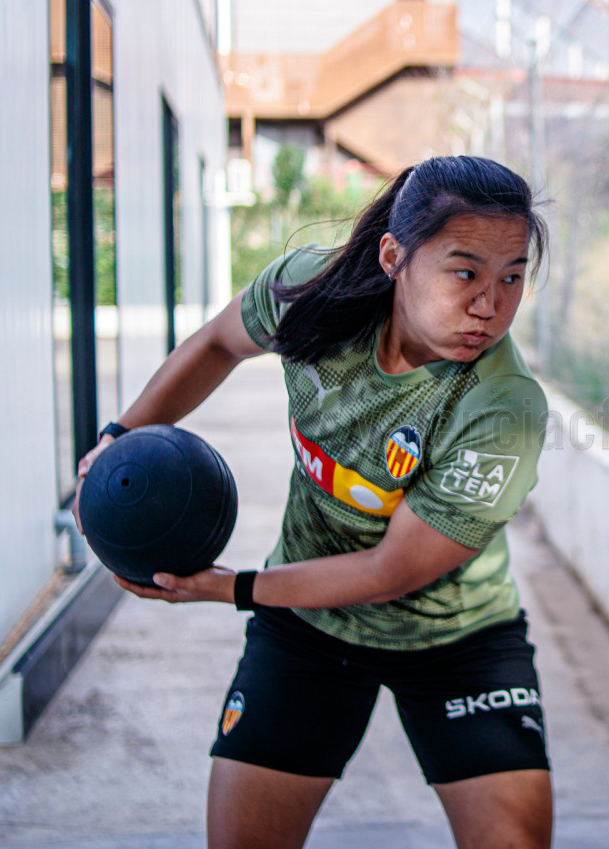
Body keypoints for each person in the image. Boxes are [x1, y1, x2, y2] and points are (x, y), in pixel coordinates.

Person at [73, 156, 552, 849]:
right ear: (394, 257)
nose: (490, 305)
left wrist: (229, 588)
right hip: (309, 624)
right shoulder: (313, 293)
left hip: (457, 638)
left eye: (511, 277)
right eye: (464, 272)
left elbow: (392, 569)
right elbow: (216, 342)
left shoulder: (503, 406)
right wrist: (118, 439)